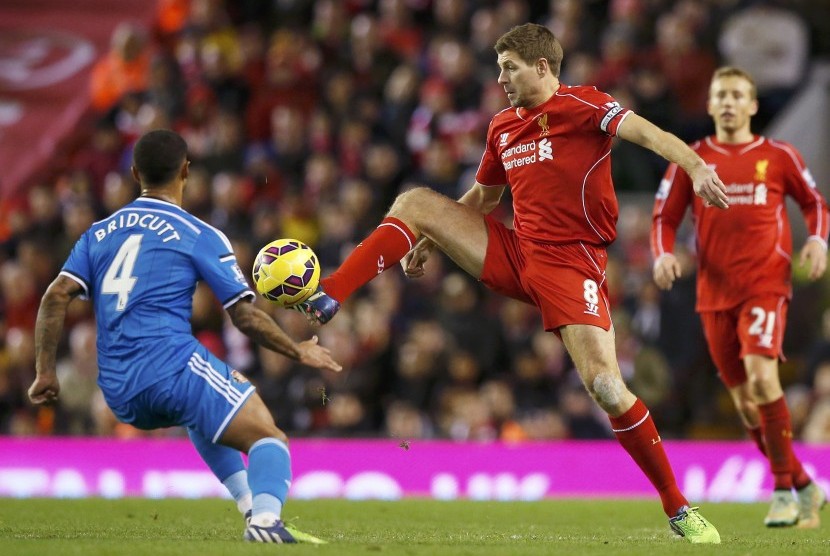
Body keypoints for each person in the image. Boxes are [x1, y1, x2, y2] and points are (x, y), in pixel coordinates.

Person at [297, 23, 725, 543]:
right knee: (413, 203)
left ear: (541, 67)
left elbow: (651, 135)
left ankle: (677, 506)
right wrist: (428, 238)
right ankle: (332, 292)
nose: (500, 78)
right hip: (518, 253)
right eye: (499, 67)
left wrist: (698, 166)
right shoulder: (502, 126)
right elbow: (483, 199)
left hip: (573, 263)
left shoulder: (586, 105)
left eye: (509, 67)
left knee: (608, 388)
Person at [28, 129, 342, 544]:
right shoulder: (198, 233)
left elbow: (55, 297)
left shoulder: (99, 232)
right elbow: (244, 318)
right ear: (187, 171)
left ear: (135, 172)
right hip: (169, 365)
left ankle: (250, 509)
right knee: (269, 437)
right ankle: (266, 521)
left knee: (207, 411)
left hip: (118, 388)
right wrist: (297, 350)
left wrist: (44, 372)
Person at [650, 66, 828, 529]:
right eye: (720, 95)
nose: (728, 102)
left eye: (737, 95)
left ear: (752, 105)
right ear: (710, 105)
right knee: (747, 402)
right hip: (714, 292)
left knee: (763, 379)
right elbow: (663, 217)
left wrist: (817, 241)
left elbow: (814, 202)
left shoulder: (778, 154)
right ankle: (804, 484)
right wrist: (662, 255)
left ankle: (785, 491)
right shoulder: (692, 159)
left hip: (765, 284)